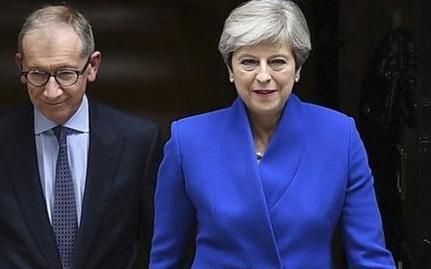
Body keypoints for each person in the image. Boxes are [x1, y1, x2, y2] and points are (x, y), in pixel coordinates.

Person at [149, 0, 396, 268]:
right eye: (249, 62)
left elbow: (370, 257)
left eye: (277, 61)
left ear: (298, 68)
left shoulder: (339, 136)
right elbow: (165, 258)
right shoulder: (188, 140)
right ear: (230, 70)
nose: (263, 75)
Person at [0, 4, 161, 269]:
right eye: (37, 74)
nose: (52, 92)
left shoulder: (138, 142)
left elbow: (163, 246)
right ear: (20, 66)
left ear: (93, 66)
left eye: (65, 74)